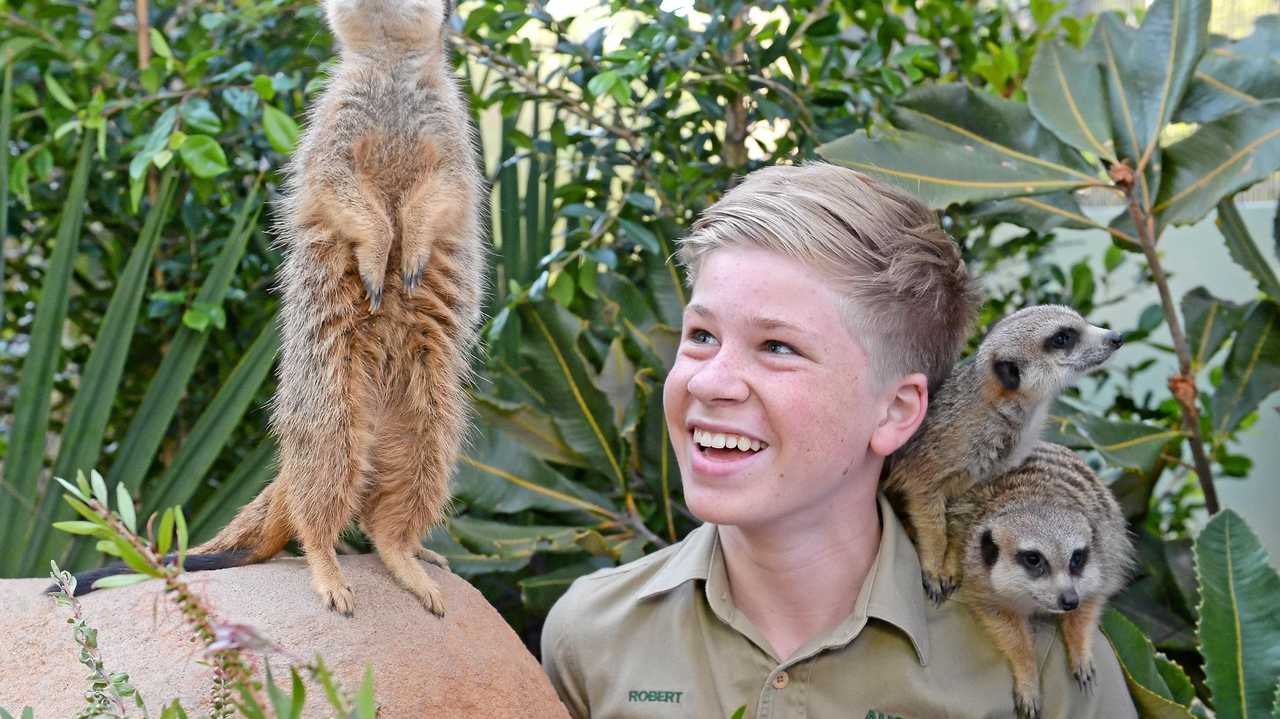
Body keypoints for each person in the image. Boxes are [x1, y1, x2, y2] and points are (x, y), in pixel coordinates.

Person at [539, 162, 1137, 718]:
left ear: (896, 412)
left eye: (778, 347)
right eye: (700, 334)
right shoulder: (593, 635)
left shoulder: (1047, 658)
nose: (710, 380)